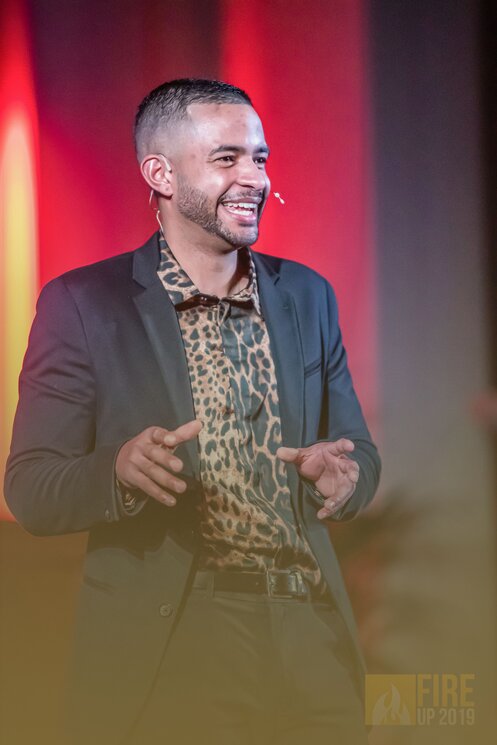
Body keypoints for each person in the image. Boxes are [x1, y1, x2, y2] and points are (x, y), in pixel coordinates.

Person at [5, 78, 381, 745]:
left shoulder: (306, 294)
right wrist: (118, 471)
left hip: (310, 628)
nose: (254, 178)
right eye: (227, 158)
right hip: (179, 635)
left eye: (259, 158)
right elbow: (30, 488)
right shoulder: (85, 304)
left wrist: (345, 477)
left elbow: (359, 453)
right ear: (161, 174)